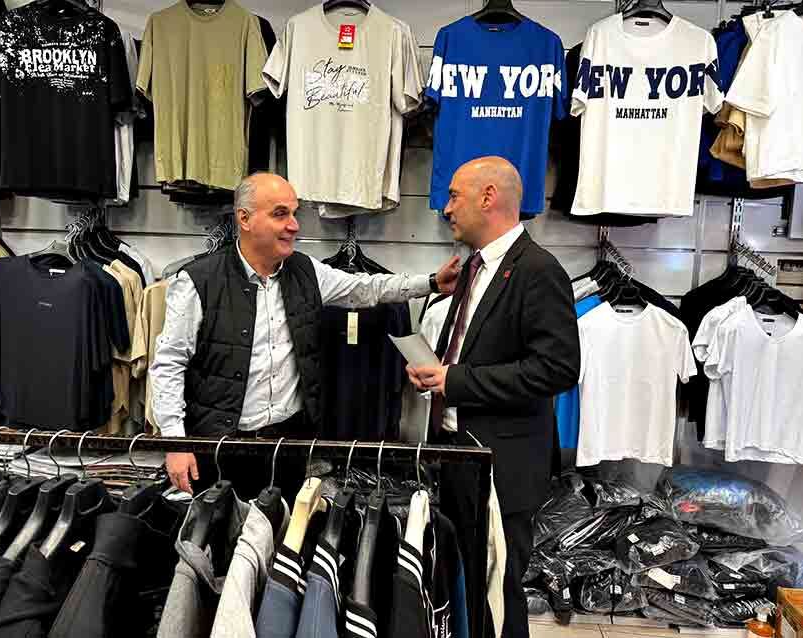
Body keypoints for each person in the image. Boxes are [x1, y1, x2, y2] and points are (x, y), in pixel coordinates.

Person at [151, 172, 461, 497]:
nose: (294, 225)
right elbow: (169, 364)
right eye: (280, 214)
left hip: (290, 448)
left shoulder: (306, 270)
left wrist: (430, 283)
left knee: (287, 527)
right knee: (220, 528)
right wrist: (176, 442)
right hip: (218, 449)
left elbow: (365, 288)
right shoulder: (197, 281)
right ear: (244, 219)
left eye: (294, 213)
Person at [407, 156, 580, 638]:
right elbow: (469, 349)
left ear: (488, 197)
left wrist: (455, 382)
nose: (446, 208)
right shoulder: (473, 267)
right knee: (463, 586)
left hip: (502, 466)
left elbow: (558, 368)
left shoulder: (538, 270)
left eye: (454, 196)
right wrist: (434, 374)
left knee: (500, 594)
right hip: (457, 456)